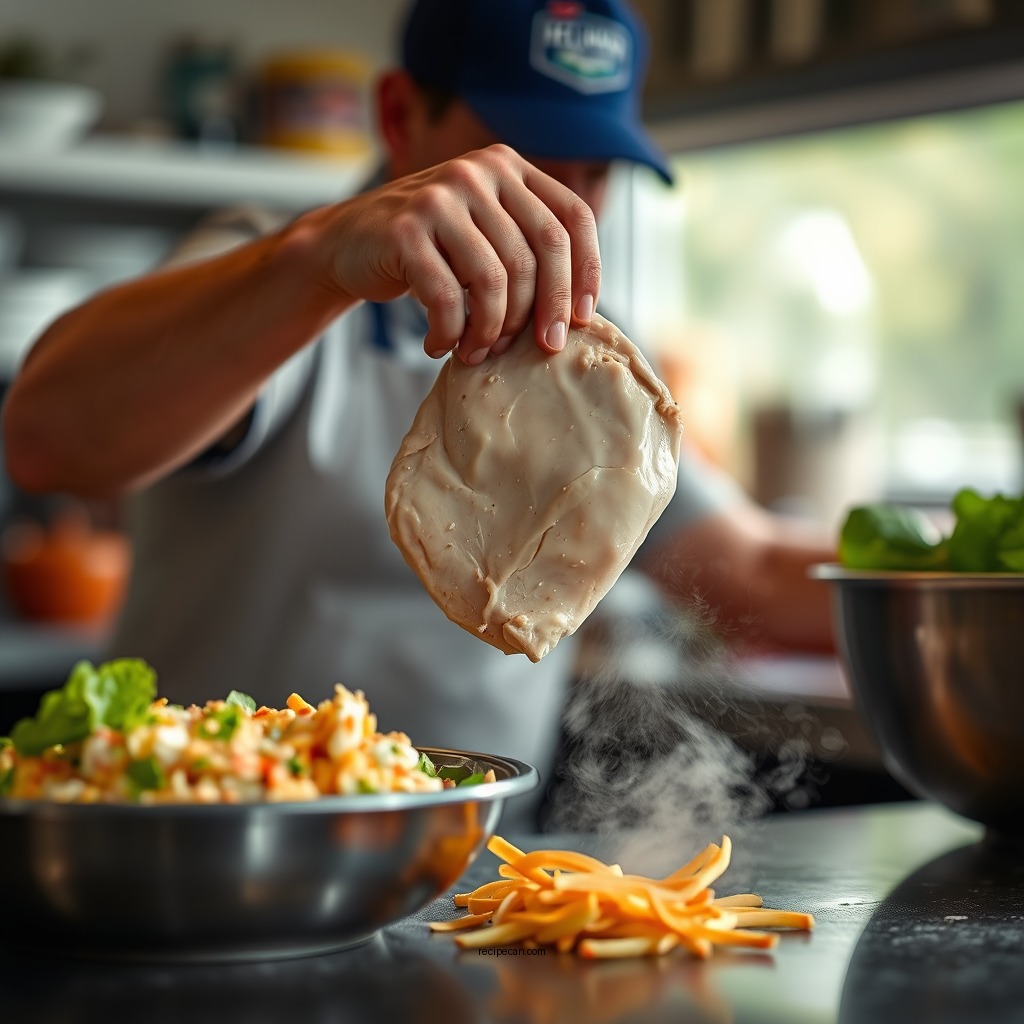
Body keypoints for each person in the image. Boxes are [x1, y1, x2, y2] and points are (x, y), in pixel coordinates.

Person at [1, 0, 835, 827]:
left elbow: (751, 568)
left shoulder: (580, 350)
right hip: (212, 864)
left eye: (597, 170)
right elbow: (47, 444)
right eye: (529, 153)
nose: (566, 207)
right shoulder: (266, 279)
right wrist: (316, 263)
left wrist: (949, 590)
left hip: (463, 886)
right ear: (400, 114)